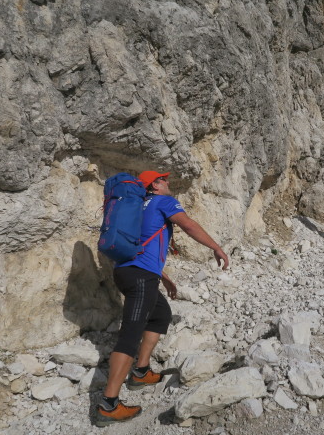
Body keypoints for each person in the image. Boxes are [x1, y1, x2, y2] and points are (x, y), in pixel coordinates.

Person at [96, 170, 229, 427]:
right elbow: (188, 225)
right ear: (155, 185)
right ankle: (108, 404)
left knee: (160, 314)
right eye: (163, 179)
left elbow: (142, 246)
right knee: (130, 335)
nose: (167, 182)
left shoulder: (138, 207)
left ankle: (141, 372)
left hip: (126, 273)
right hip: (140, 277)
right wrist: (216, 247)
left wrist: (162, 276)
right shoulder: (162, 202)